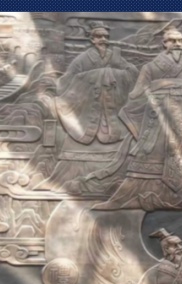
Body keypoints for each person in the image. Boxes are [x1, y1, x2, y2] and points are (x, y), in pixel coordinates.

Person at [95, 28, 182, 212]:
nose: (177, 44)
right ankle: (126, 196)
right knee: (148, 152)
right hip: (157, 117)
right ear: (164, 43)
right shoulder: (150, 68)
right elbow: (137, 93)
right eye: (172, 40)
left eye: (180, 40)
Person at [38, 21, 137, 191]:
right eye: (99, 36)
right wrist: (98, 76)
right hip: (89, 104)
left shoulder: (114, 56)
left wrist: (112, 74)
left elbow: (132, 72)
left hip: (110, 104)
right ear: (92, 39)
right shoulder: (83, 58)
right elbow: (69, 78)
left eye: (106, 36)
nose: (103, 39)